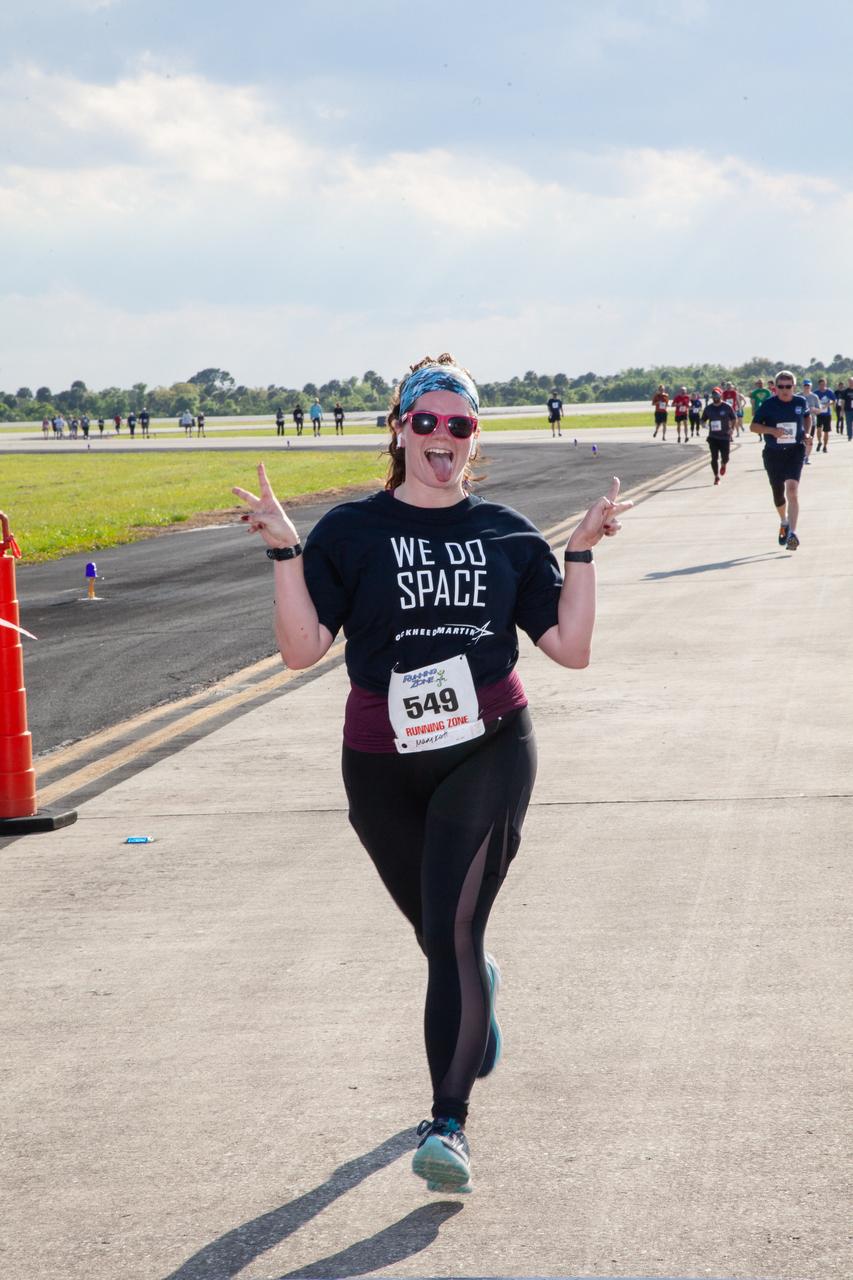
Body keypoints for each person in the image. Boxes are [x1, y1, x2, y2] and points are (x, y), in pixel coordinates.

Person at [232, 353, 632, 1195]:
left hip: (488, 746)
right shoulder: (348, 532)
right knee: (442, 940)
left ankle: (447, 1123)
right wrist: (283, 554)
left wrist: (582, 555)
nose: (442, 437)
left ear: (474, 437)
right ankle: (477, 982)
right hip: (379, 762)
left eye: (460, 424)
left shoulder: (505, 533)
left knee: (451, 934)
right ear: (399, 428)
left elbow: (571, 650)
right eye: (427, 421)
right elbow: (304, 650)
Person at [750, 370, 810, 551]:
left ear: (794, 387)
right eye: (781, 387)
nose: (785, 390)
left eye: (788, 386)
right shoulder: (769, 405)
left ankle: (792, 533)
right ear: (775, 388)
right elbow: (753, 426)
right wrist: (771, 431)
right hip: (773, 453)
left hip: (794, 451)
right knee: (778, 493)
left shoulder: (800, 402)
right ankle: (784, 521)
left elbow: (807, 418)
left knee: (792, 490)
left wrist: (807, 433)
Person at [701, 388, 736, 484]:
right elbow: (703, 419)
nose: (715, 398)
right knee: (714, 457)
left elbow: (733, 418)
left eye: (717, 396)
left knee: (726, 457)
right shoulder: (708, 408)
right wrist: (703, 424)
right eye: (713, 396)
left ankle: (723, 463)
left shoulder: (727, 407)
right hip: (713, 437)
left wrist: (731, 429)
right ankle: (716, 477)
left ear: (720, 396)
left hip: (724, 436)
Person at [801, 378, 820, 464]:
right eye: (805, 386)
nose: (806, 387)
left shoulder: (814, 397)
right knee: (800, 441)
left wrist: (814, 409)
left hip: (812, 422)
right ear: (802, 386)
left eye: (808, 386)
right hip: (800, 422)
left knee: (809, 440)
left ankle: (807, 457)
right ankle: (800, 456)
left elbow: (819, 410)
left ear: (811, 386)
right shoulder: (798, 396)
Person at [814, 378, 835, 454]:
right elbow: (813, 402)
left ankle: (825, 446)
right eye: (821, 384)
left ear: (826, 384)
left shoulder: (829, 392)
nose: (822, 386)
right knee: (819, 429)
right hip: (819, 414)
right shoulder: (816, 393)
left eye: (824, 384)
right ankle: (819, 441)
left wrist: (828, 404)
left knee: (826, 431)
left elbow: (833, 400)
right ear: (819, 385)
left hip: (827, 414)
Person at [842, 377, 853, 441]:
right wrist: (842, 410)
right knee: (848, 423)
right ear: (848, 383)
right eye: (850, 382)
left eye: (852, 382)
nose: (851, 383)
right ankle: (849, 435)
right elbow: (843, 401)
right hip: (848, 410)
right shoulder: (845, 391)